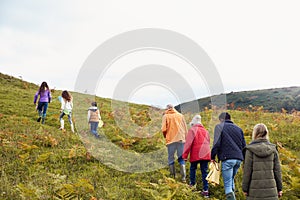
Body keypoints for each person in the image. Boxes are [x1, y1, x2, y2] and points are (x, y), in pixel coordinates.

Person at [242, 123, 283, 199]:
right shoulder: (273, 149)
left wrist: (245, 188)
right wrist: (280, 188)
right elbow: (277, 171)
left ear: (254, 133)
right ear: (266, 133)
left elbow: (247, 171)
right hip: (271, 191)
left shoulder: (250, 150)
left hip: (254, 191)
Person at [211, 112, 246, 200]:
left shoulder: (219, 127)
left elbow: (216, 143)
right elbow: (244, 146)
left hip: (227, 158)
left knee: (227, 184)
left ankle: (230, 196)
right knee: (231, 180)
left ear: (221, 119)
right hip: (238, 159)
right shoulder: (239, 129)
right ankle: (232, 195)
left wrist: (212, 157)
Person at [182, 114, 211, 198]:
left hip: (196, 153)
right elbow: (208, 142)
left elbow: (188, 144)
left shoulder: (192, 130)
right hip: (205, 153)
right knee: (204, 171)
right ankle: (206, 191)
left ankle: (192, 186)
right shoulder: (205, 131)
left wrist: (184, 156)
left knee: (193, 169)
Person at [161, 104, 188, 182]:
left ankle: (172, 178)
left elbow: (163, 129)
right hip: (181, 139)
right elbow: (185, 128)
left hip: (171, 140)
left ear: (167, 109)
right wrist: (185, 138)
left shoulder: (165, 116)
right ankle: (183, 178)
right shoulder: (180, 115)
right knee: (181, 158)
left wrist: (166, 136)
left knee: (171, 157)